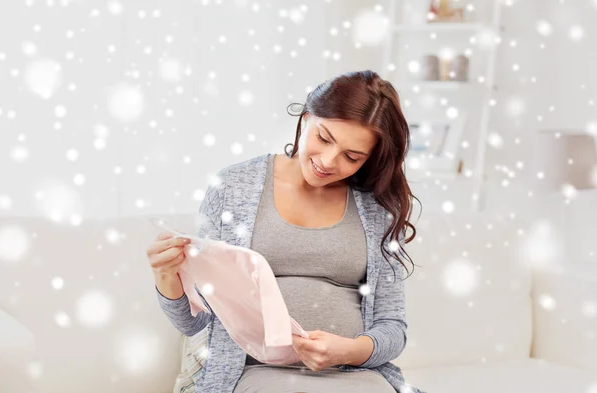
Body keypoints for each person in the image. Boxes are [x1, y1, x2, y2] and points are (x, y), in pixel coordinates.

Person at [146, 70, 426, 393]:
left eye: (351, 157)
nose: (327, 161)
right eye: (323, 138)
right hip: (257, 374)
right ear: (306, 117)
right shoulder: (234, 188)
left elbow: (392, 328)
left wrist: (348, 350)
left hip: (355, 375)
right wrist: (166, 277)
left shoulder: (376, 209)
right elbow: (196, 323)